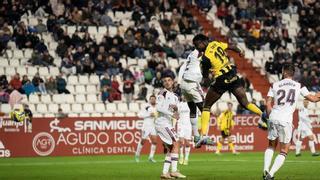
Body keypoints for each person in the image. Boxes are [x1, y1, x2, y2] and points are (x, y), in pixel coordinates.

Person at [192, 34, 268, 147]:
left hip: (222, 79)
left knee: (206, 106)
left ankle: (204, 136)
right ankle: (264, 115)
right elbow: (231, 46)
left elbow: (205, 76)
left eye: (197, 45)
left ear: (203, 42)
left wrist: (202, 67)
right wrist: (240, 51)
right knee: (245, 103)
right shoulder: (215, 43)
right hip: (233, 75)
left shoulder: (205, 57)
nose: (197, 48)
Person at [262, 64, 320, 180]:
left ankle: (265, 169)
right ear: (293, 73)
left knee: (271, 145)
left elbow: (268, 104)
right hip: (286, 120)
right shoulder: (299, 85)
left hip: (273, 117)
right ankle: (271, 175)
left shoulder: (274, 85)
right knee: (284, 150)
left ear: (284, 72)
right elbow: (313, 99)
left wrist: (270, 117)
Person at [155, 73, 186, 179]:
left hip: (168, 123)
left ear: (173, 82)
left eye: (169, 80)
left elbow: (175, 110)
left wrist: (176, 111)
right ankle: (174, 171)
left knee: (171, 148)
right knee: (176, 142)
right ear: (163, 83)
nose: (167, 82)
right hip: (162, 122)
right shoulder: (162, 93)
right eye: (165, 81)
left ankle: (164, 173)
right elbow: (158, 108)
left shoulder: (175, 97)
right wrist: (172, 114)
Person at [178, 48, 206, 147]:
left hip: (184, 84)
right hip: (192, 83)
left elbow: (182, 67)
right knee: (205, 110)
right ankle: (204, 137)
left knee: (193, 110)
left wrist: (178, 82)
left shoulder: (190, 56)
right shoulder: (199, 53)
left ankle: (196, 137)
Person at [135, 95, 158, 163]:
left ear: (155, 100)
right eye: (151, 99)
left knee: (154, 142)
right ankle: (137, 155)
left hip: (154, 126)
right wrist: (148, 115)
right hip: (146, 126)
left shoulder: (158, 107)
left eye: (154, 99)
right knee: (143, 141)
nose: (153, 100)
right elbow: (139, 115)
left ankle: (151, 157)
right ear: (149, 100)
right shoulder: (146, 107)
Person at [177, 96, 192, 166]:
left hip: (188, 125)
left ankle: (186, 158)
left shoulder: (191, 104)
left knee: (188, 143)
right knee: (180, 141)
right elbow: (175, 114)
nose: (184, 97)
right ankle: (181, 156)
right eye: (183, 95)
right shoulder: (179, 104)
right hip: (180, 125)